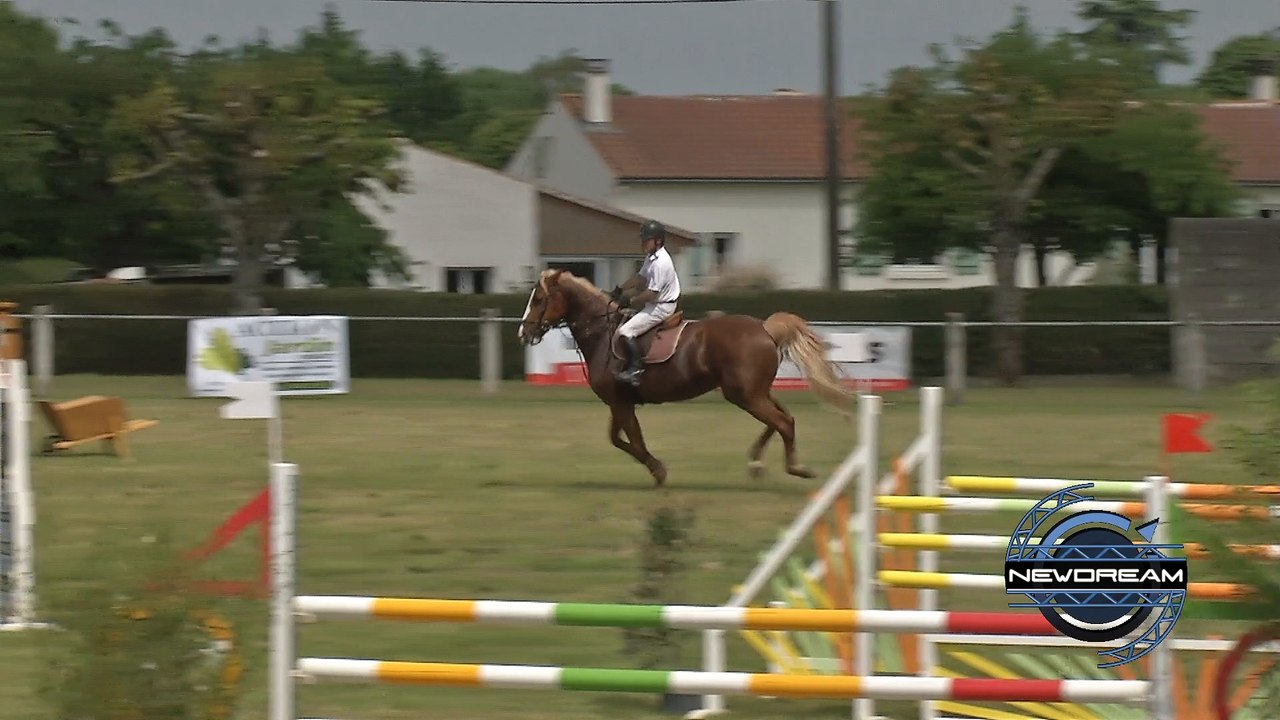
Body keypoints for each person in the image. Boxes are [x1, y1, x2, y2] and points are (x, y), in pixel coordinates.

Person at [612, 219, 681, 386]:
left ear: (657, 240)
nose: (643, 243)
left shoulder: (661, 263)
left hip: (662, 307)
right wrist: (620, 290)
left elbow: (651, 293)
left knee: (625, 331)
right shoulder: (651, 258)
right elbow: (639, 278)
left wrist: (630, 300)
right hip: (655, 304)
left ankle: (636, 370)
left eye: (646, 239)